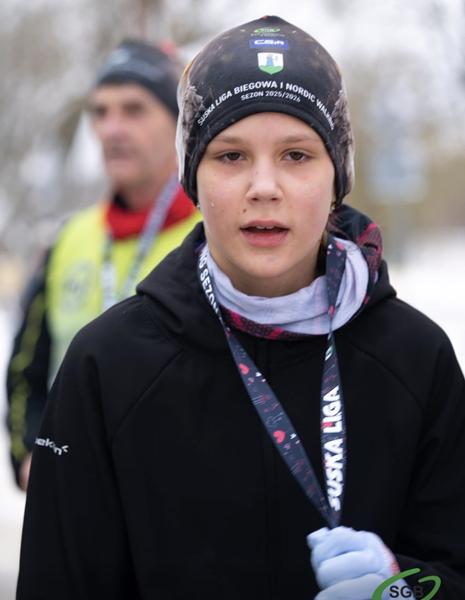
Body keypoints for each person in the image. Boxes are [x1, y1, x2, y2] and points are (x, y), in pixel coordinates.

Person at [17, 15, 465, 600]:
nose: (264, 186)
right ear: (192, 179)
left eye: (297, 155)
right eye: (230, 156)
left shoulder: (417, 358)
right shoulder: (105, 366)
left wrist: (405, 589)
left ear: (337, 177)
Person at [6, 39, 199, 491]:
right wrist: (29, 453)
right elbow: (25, 370)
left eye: (134, 110)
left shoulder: (215, 236)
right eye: (100, 112)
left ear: (178, 124)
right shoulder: (69, 239)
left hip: (177, 500)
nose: (112, 129)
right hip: (77, 498)